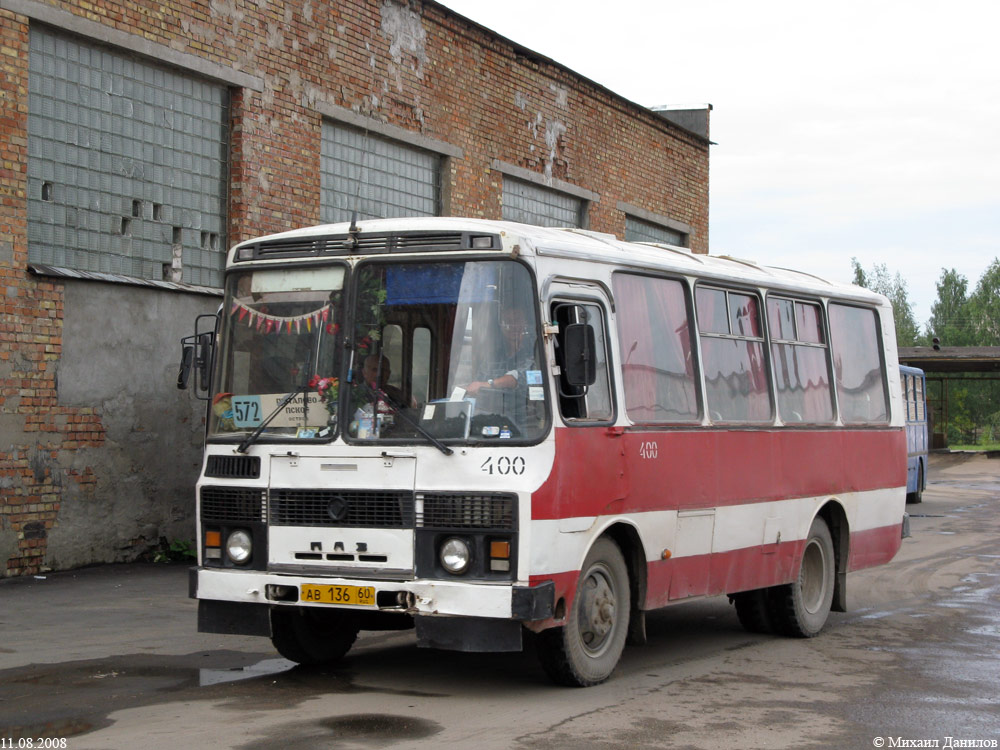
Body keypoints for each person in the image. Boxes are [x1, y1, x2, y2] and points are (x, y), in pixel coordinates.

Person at [465, 306, 537, 396]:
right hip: (491, 408)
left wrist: (489, 384)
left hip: (526, 408)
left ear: (525, 323)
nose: (513, 325)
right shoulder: (493, 357)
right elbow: (478, 382)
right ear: (501, 327)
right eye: (507, 321)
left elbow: (518, 378)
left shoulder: (534, 351)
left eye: (517, 320)